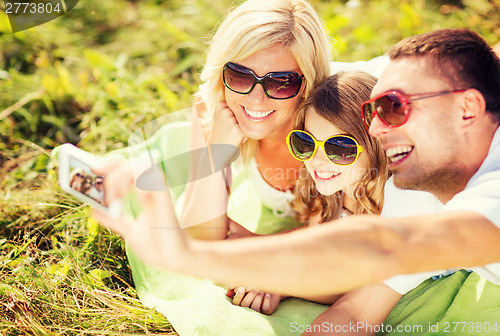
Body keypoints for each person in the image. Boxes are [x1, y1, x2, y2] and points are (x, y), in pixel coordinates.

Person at [95, 28, 500, 302]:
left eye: (281, 82)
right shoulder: (268, 116)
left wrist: (269, 275)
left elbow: (377, 253)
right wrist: (213, 147)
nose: (257, 98)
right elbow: (215, 234)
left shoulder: (405, 170)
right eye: (238, 75)